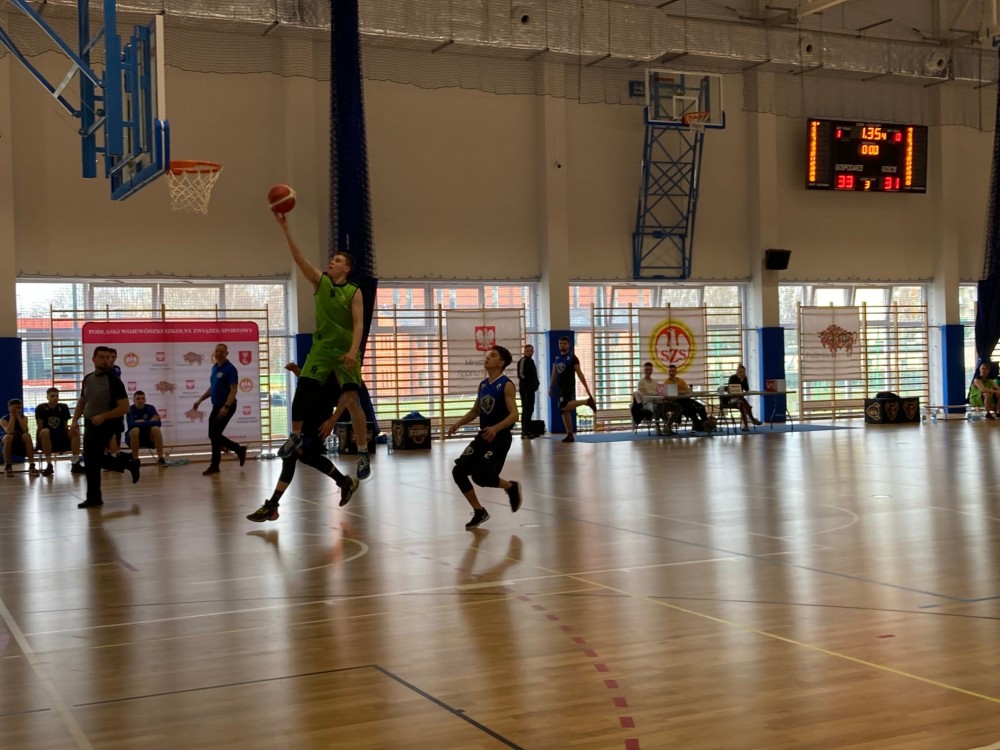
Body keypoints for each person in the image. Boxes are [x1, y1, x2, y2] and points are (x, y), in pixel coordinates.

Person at [274, 213, 372, 480]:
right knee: (303, 389)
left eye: (338, 260)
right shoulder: (321, 281)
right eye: (332, 259)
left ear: (347, 269)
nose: (332, 261)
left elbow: (359, 324)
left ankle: (363, 452)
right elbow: (299, 259)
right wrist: (285, 228)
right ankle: (294, 437)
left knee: (352, 400)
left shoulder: (354, 291)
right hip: (322, 349)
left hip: (346, 350)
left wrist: (352, 351)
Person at [247, 363, 359, 522]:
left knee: (295, 455)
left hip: (320, 421)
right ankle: (345, 482)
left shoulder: (341, 368)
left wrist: (332, 421)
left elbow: (346, 397)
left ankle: (272, 505)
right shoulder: (321, 361)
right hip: (305, 417)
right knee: (305, 456)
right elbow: (311, 384)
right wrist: (297, 371)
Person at [447, 345, 522, 529]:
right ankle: (479, 511)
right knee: (458, 471)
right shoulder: (483, 385)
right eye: (488, 355)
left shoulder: (506, 385)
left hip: (499, 438)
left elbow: (515, 415)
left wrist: (496, 428)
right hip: (483, 436)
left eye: (493, 355)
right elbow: (476, 410)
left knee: (482, 477)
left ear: (501, 363)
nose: (487, 357)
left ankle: (510, 487)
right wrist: (459, 423)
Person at [70, 346, 140, 508]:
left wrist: (103, 416)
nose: (106, 360)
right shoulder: (88, 379)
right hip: (90, 423)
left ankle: (94, 497)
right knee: (92, 459)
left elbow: (125, 408)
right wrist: (74, 421)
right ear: (94, 359)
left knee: (91, 459)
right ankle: (128, 465)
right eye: (102, 357)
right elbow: (82, 401)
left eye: (108, 358)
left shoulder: (114, 382)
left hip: (106, 424)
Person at [193, 343, 248, 475]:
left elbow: (233, 390)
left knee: (215, 434)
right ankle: (218, 464)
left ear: (226, 354)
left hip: (227, 406)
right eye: (217, 351)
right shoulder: (214, 367)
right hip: (216, 406)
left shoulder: (230, 369)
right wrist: (200, 400)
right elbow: (213, 388)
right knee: (213, 435)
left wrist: (226, 407)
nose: (218, 353)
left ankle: (236, 450)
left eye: (222, 351)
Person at [548, 336, 596, 443]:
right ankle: (569, 434)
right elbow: (554, 373)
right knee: (563, 410)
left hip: (568, 386)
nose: (562, 345)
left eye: (564, 343)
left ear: (569, 345)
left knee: (563, 406)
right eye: (560, 343)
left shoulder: (572, 358)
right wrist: (551, 387)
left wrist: (586, 388)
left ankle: (586, 402)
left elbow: (580, 373)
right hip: (559, 387)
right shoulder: (556, 357)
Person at [35, 386, 83, 475]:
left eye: (57, 396)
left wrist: (71, 431)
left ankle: (75, 463)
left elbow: (65, 426)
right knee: (45, 431)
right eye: (52, 396)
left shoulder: (63, 407)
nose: (55, 398)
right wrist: (38, 443)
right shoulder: (40, 408)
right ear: (47, 397)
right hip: (47, 437)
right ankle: (49, 465)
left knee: (75, 430)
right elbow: (40, 427)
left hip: (61, 436)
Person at [632, 361, 681, 435]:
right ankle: (657, 426)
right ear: (643, 370)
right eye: (646, 369)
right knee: (657, 407)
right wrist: (655, 394)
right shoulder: (641, 382)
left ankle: (668, 425)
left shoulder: (655, 382)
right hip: (648, 403)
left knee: (678, 407)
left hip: (659, 401)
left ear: (652, 370)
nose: (648, 371)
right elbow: (644, 394)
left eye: (649, 369)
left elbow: (659, 392)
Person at [663, 364, 711, 433]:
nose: (671, 373)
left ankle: (705, 424)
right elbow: (671, 394)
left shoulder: (681, 380)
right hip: (676, 401)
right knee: (689, 408)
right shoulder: (666, 382)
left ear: (676, 372)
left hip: (686, 399)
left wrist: (678, 392)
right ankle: (699, 425)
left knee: (701, 407)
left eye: (673, 371)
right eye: (670, 371)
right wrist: (681, 392)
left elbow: (687, 391)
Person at [126, 391, 166, 465]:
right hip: (133, 438)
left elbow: (158, 423)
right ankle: (135, 460)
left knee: (156, 429)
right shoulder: (130, 409)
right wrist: (150, 421)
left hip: (148, 437)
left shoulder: (150, 408)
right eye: (138, 399)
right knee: (135, 430)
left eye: (142, 398)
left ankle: (161, 458)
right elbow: (131, 424)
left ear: (145, 400)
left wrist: (142, 421)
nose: (141, 400)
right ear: (133, 400)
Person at [2, 398, 39, 477]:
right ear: (10, 408)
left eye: (20, 408)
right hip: (7, 441)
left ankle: (32, 465)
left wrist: (18, 417)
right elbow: (9, 431)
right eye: (16, 408)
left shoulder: (24, 418)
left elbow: (25, 430)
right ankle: (8, 467)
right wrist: (12, 415)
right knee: (9, 437)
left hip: (20, 439)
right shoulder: (3, 419)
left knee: (27, 435)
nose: (18, 410)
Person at [724, 364, 764, 431]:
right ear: (737, 371)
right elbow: (729, 389)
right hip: (732, 399)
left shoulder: (744, 378)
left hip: (740, 400)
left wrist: (742, 381)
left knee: (741, 404)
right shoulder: (732, 377)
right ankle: (752, 419)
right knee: (745, 403)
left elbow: (747, 389)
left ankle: (746, 426)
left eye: (743, 372)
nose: (742, 373)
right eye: (740, 372)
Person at [516, 343, 540, 438]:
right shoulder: (523, 361)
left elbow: (534, 374)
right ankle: (524, 432)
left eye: (531, 351)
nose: (529, 352)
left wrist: (536, 383)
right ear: (524, 351)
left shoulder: (532, 361)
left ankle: (529, 430)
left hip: (531, 390)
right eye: (528, 351)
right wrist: (528, 384)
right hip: (525, 389)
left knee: (530, 409)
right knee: (526, 409)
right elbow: (520, 374)